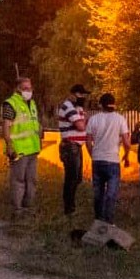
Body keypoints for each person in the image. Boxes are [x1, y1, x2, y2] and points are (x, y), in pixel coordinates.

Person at [85, 93, 130, 225]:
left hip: (97, 160)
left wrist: (92, 154)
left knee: (98, 192)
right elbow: (127, 143)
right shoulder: (120, 119)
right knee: (111, 193)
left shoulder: (93, 119)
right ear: (114, 104)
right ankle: (109, 221)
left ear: (101, 105)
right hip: (113, 161)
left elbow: (88, 142)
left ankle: (98, 219)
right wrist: (126, 156)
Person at [1, 77, 42, 220]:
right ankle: (17, 211)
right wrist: (9, 146)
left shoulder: (31, 103)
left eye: (30, 88)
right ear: (17, 89)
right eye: (25, 89)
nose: (28, 91)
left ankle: (28, 208)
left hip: (33, 149)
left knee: (32, 180)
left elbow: (34, 124)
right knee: (18, 181)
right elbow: (6, 126)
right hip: (19, 150)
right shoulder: (11, 104)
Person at [58, 84, 91, 215]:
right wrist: (87, 120)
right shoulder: (68, 107)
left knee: (77, 178)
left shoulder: (77, 108)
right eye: (80, 94)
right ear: (73, 94)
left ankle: (71, 206)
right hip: (70, 146)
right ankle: (69, 208)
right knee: (71, 178)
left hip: (76, 146)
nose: (82, 97)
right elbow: (81, 126)